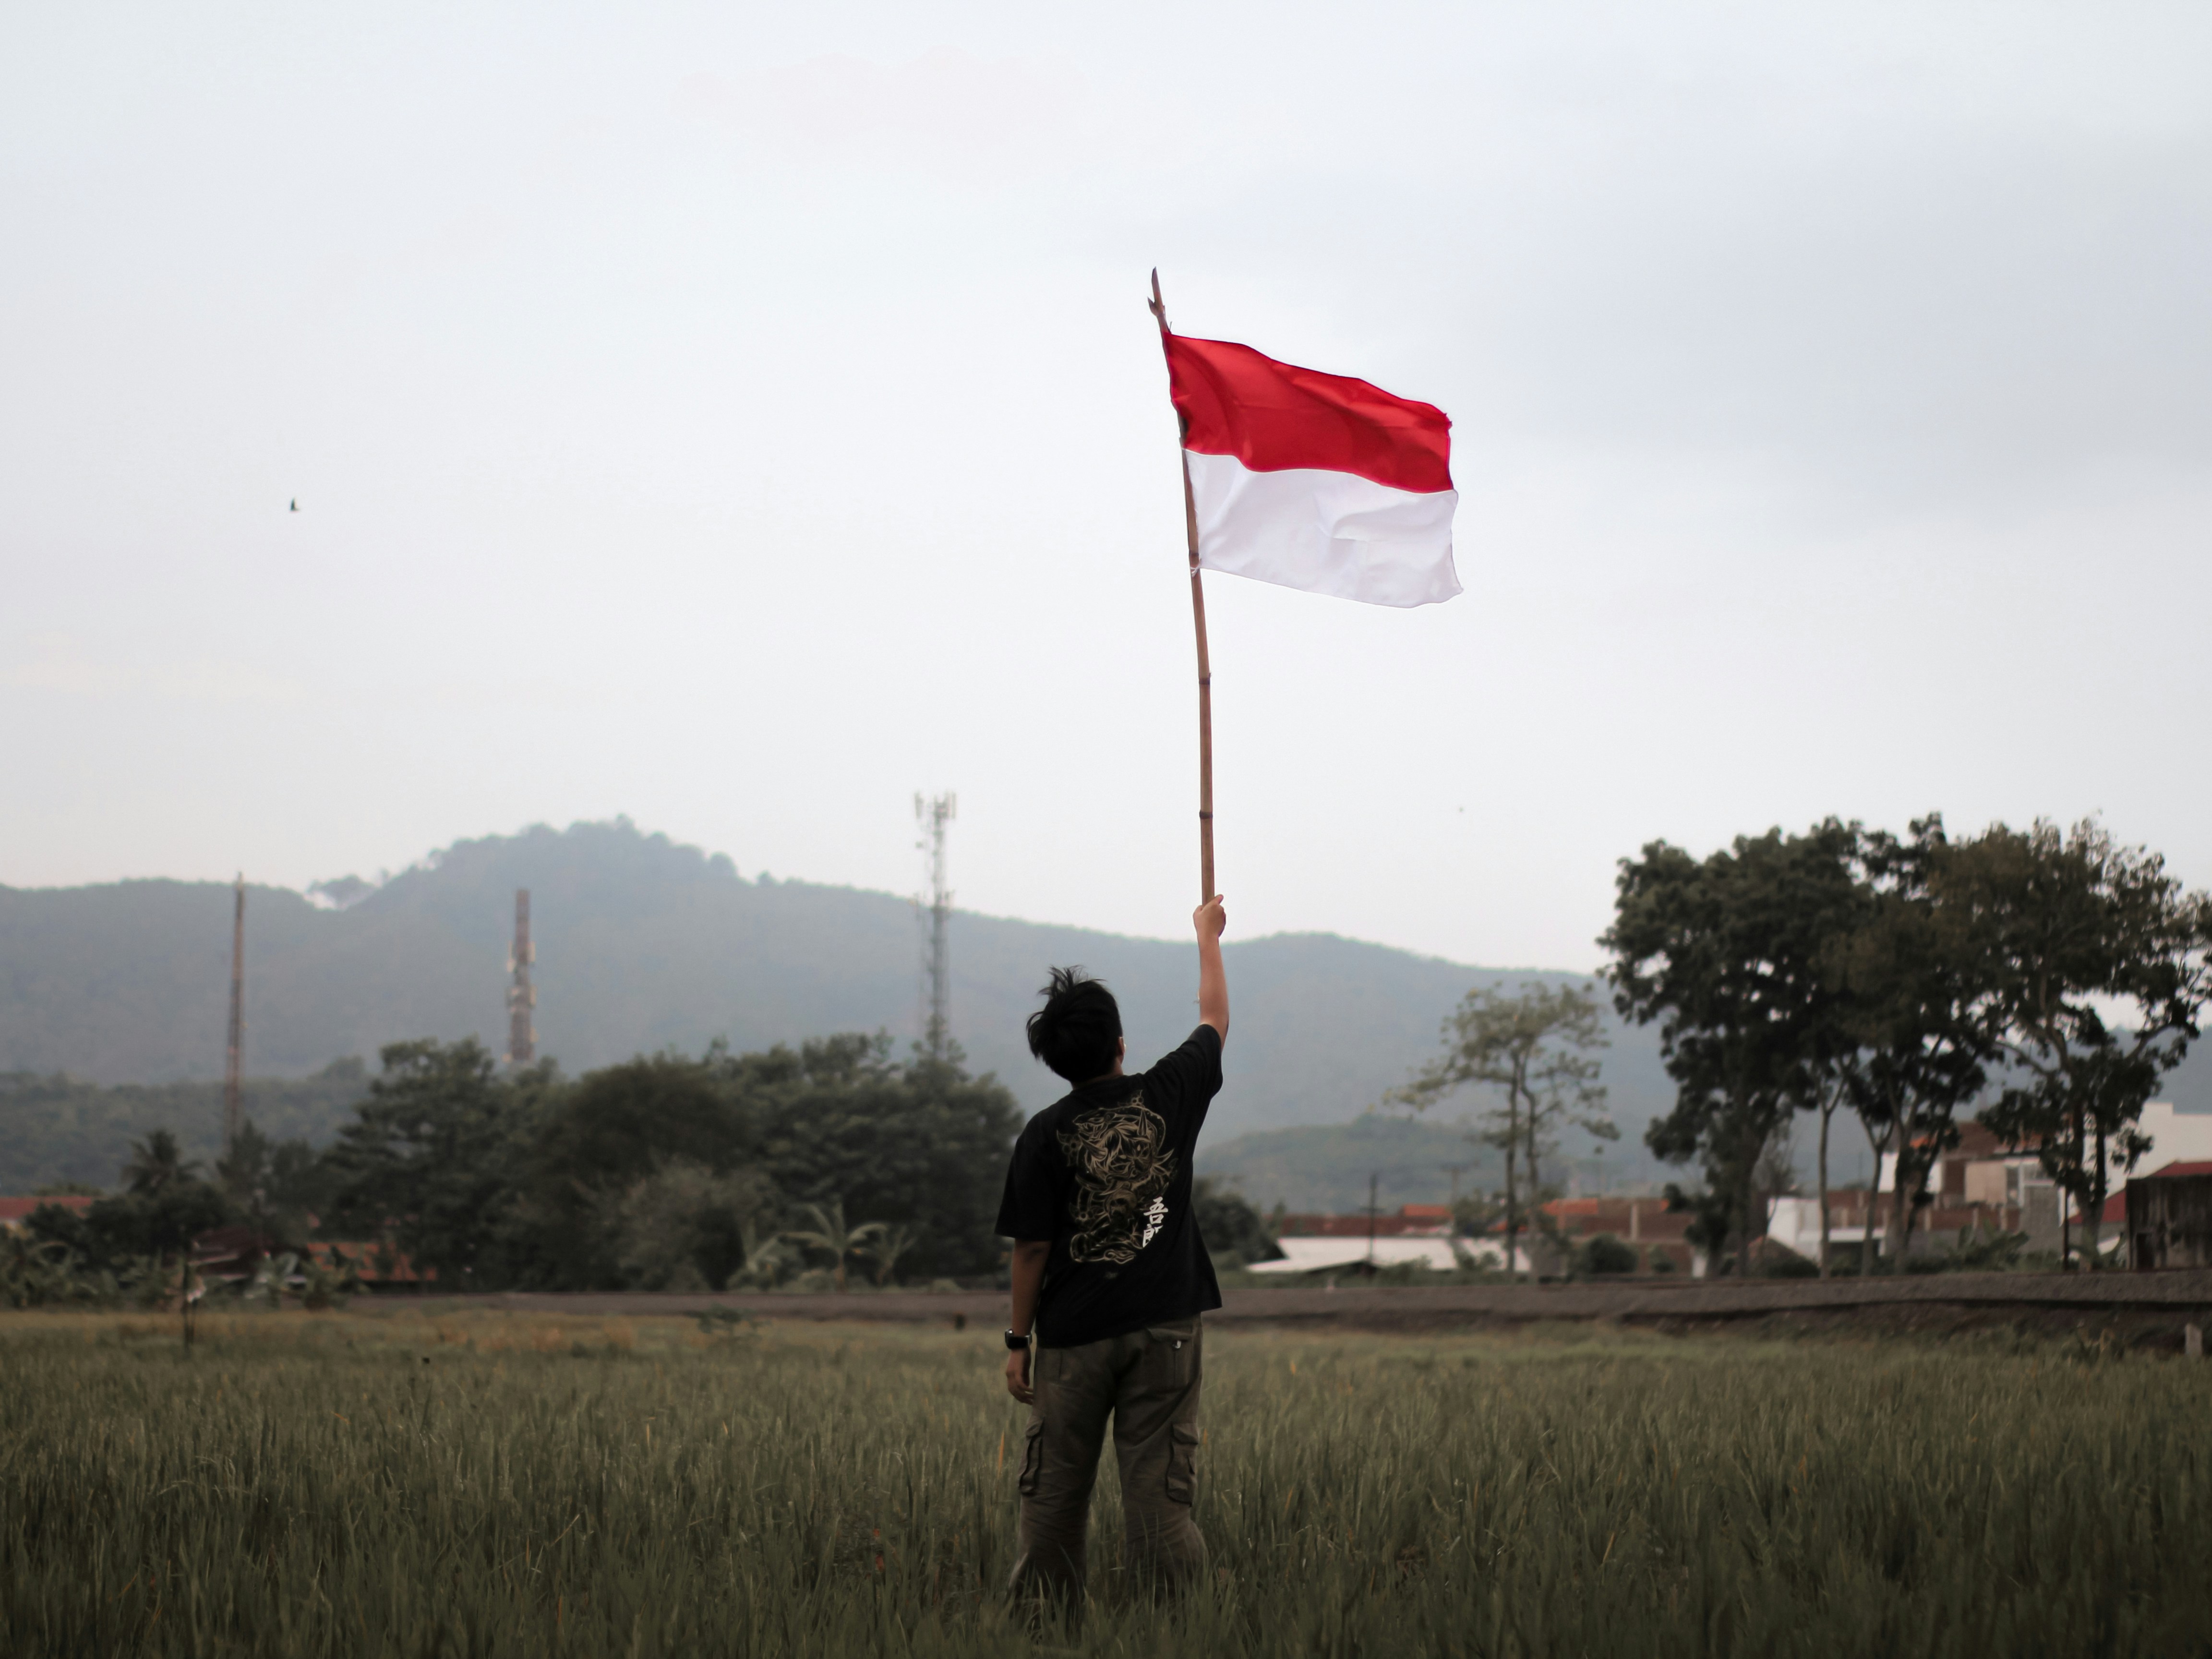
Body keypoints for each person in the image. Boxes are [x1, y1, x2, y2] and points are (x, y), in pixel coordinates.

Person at [995, 893, 1230, 1612]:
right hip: (1166, 1331)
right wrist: (1206, 935)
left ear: (1055, 1062)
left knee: (1055, 1497)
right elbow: (1214, 1020)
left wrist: (1017, 1339)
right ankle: (1181, 1633)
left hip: (1073, 1339)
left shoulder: (1043, 1134)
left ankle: (1044, 1630)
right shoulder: (1169, 1094)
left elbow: (1033, 1248)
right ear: (1121, 1045)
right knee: (1161, 1500)